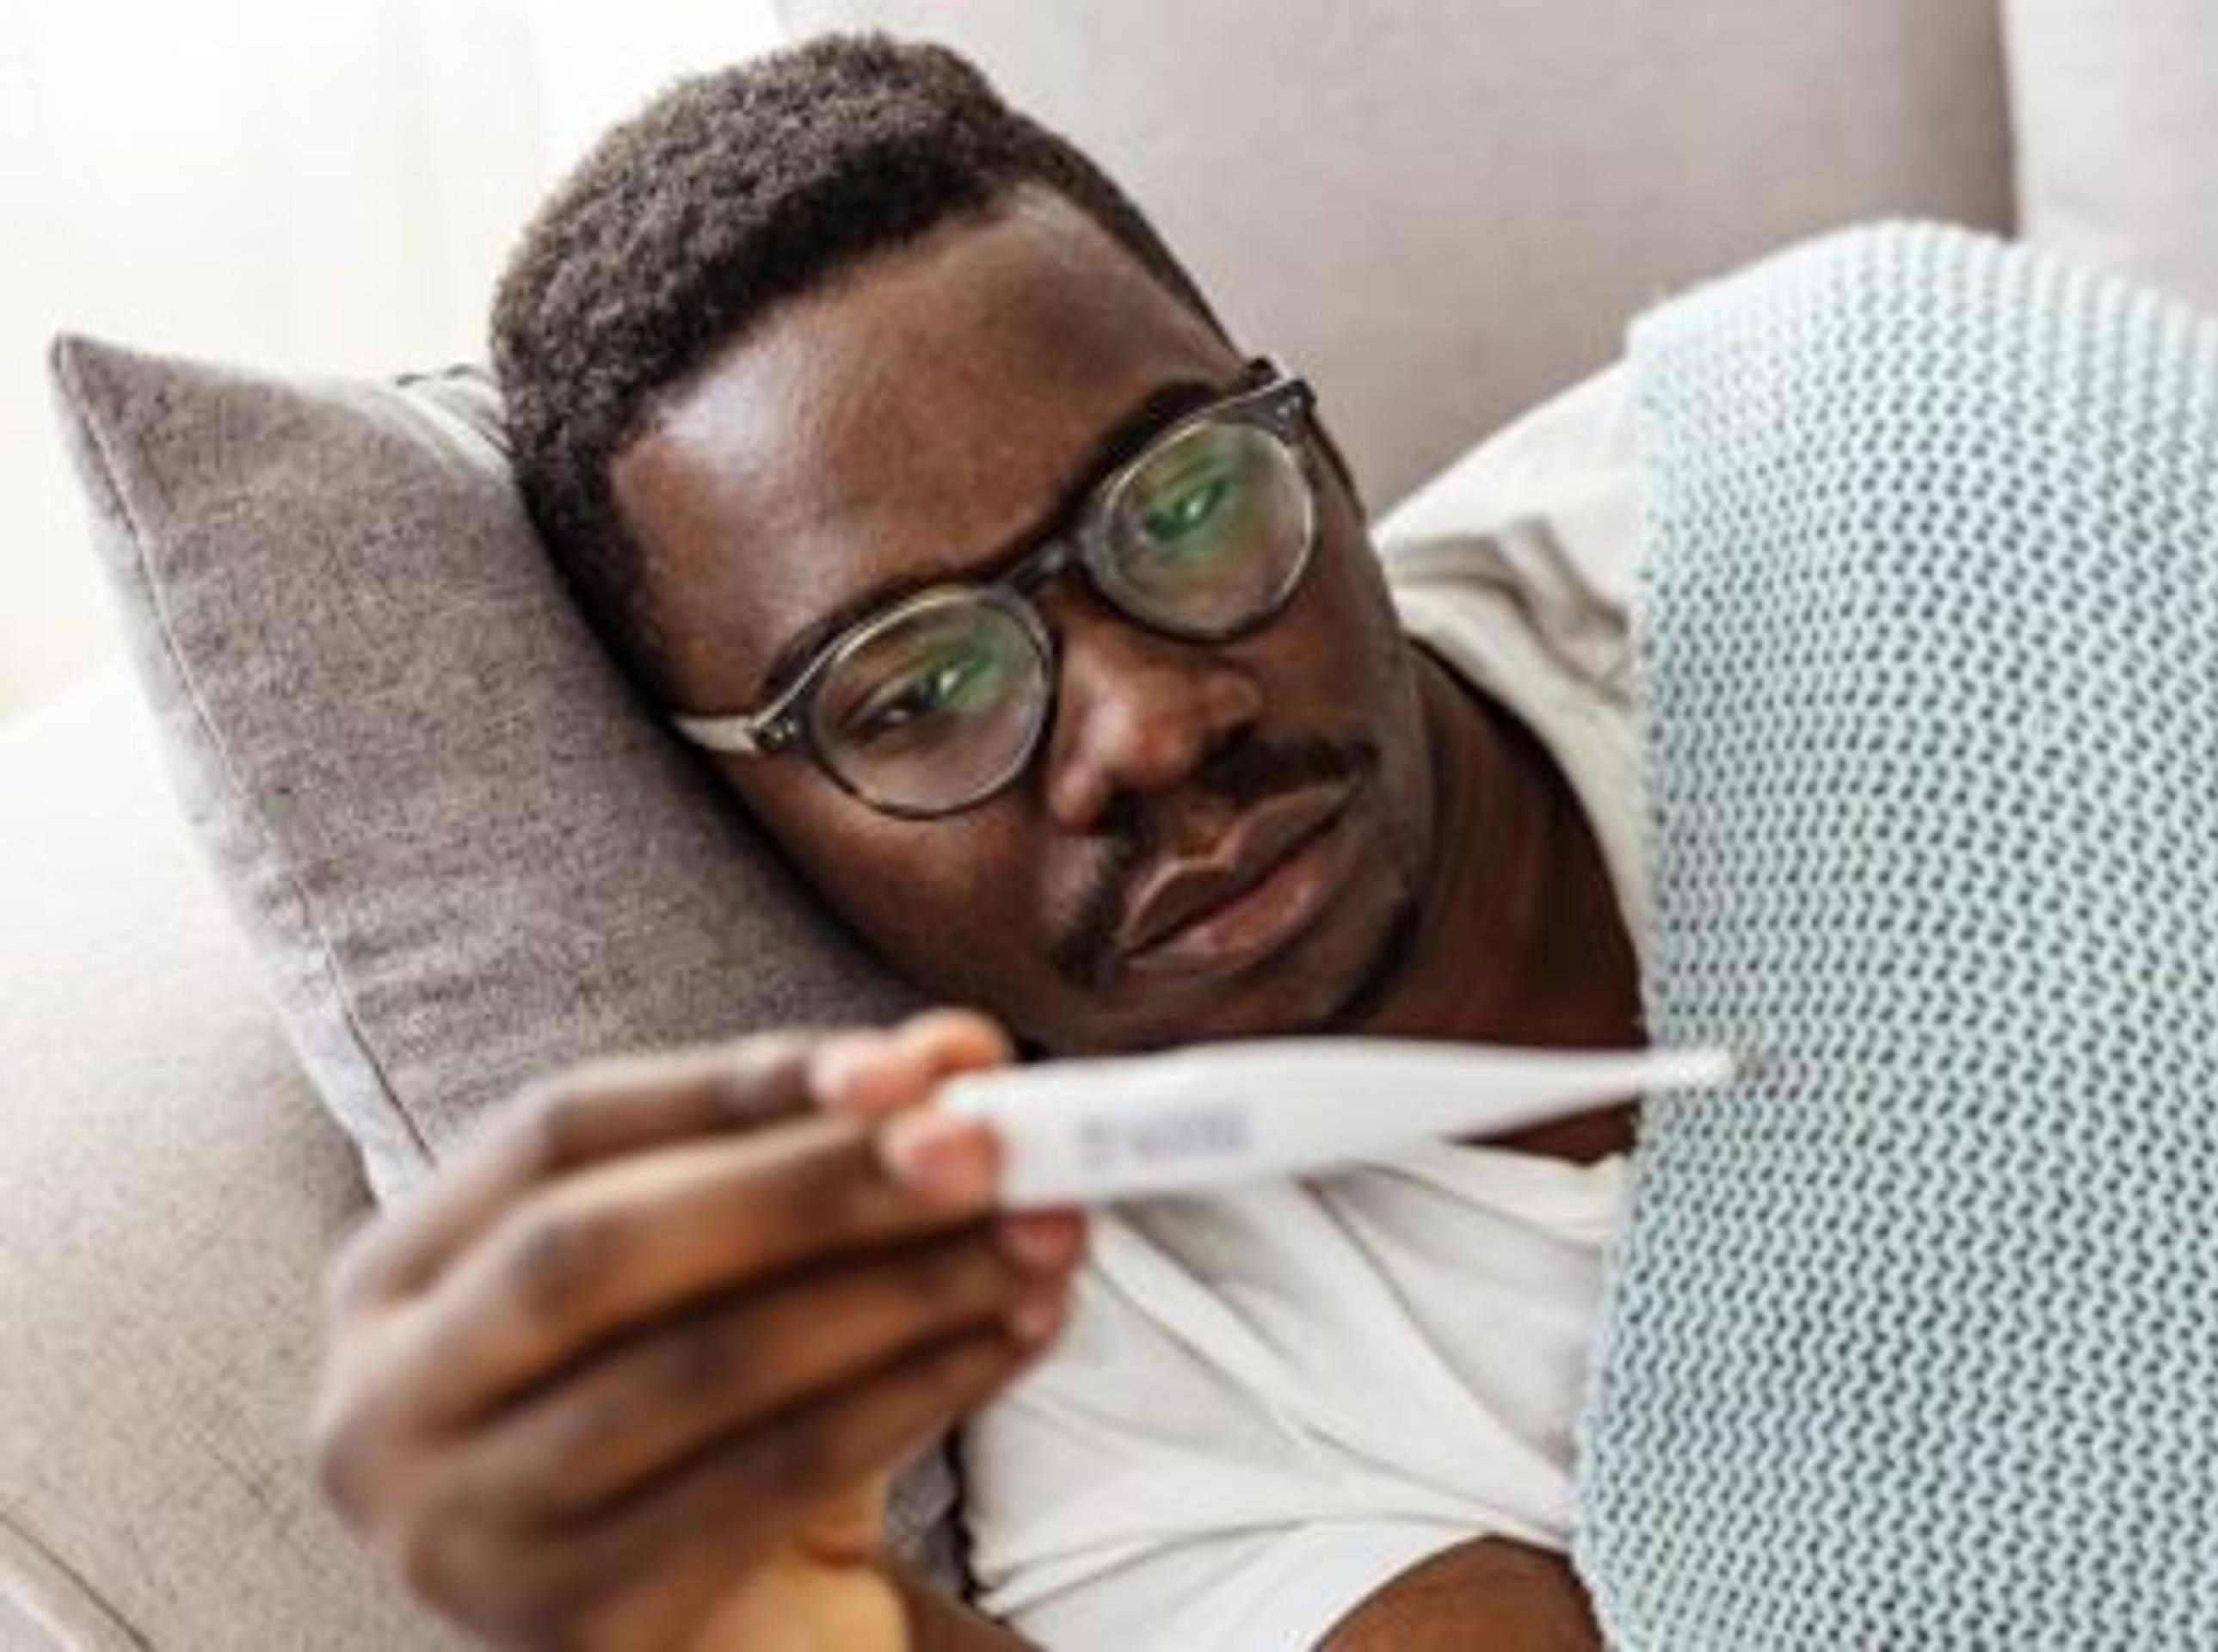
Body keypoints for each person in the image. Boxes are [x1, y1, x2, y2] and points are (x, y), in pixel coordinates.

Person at [305, 33, 1653, 1650]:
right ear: (759, 825)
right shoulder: (1151, 1415)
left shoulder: (1803, 474)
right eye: (921, 687)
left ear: (1319, 451)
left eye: (1178, 505)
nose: (1149, 727)